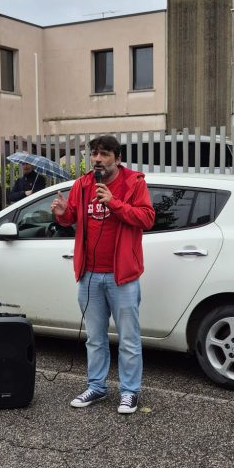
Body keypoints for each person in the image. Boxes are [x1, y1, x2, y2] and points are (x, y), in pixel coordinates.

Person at [51, 134, 155, 415]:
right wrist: (61, 214)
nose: (97, 159)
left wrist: (114, 202)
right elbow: (70, 216)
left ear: (117, 159)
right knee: (95, 338)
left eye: (104, 154)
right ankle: (96, 386)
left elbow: (147, 218)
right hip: (89, 275)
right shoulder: (83, 184)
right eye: (94, 154)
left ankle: (129, 392)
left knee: (129, 339)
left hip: (122, 276)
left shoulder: (134, 183)